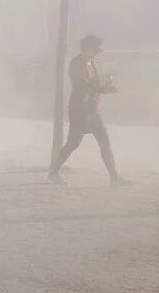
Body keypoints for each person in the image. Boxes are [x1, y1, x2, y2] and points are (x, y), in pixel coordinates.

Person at [49, 34, 126, 186]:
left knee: (104, 141)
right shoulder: (76, 64)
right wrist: (103, 89)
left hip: (91, 109)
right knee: (73, 143)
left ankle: (114, 177)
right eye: (95, 49)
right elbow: (82, 85)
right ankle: (54, 172)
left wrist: (105, 81)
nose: (97, 52)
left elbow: (94, 84)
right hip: (79, 110)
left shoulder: (91, 63)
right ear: (87, 48)